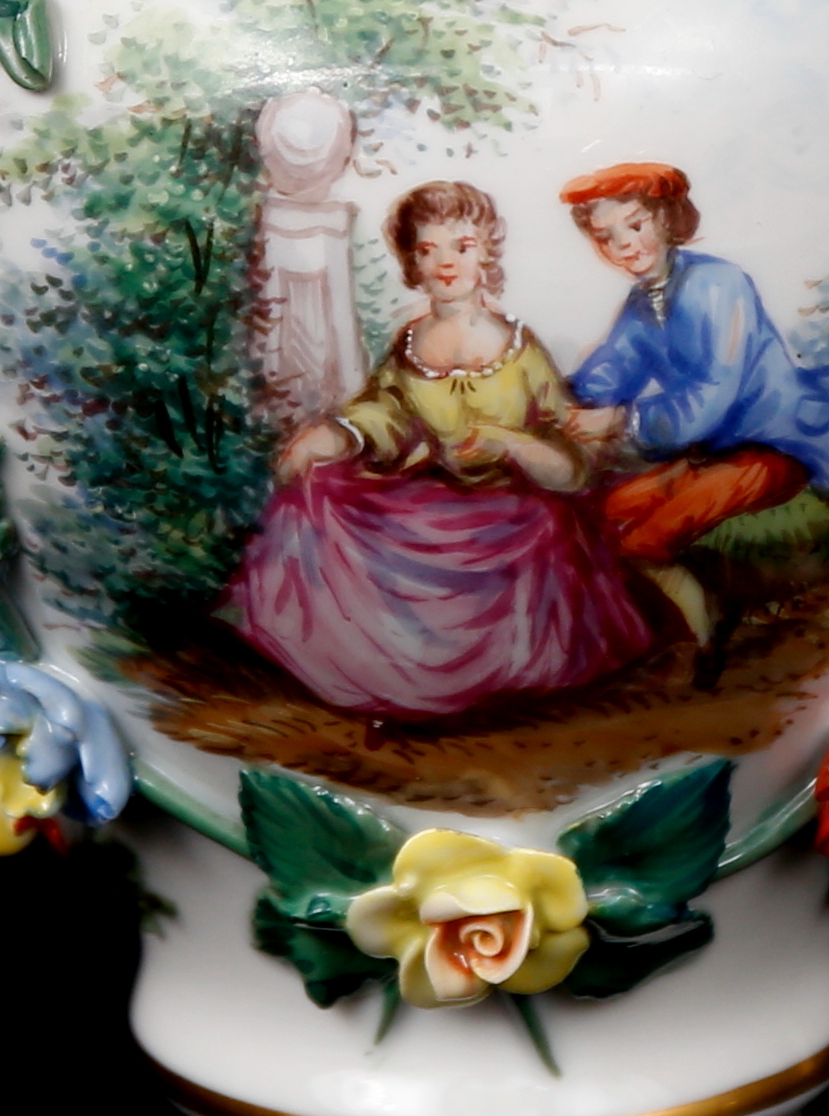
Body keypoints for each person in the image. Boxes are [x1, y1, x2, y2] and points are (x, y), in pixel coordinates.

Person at [220, 182, 652, 718]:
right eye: (428, 250)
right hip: (433, 498)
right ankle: (370, 668)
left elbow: (568, 451)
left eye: (462, 247)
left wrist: (509, 442)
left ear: (486, 253)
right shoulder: (409, 345)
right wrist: (329, 437)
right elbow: (381, 413)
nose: (446, 263)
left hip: (512, 513)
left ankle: (497, 679)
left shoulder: (520, 349)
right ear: (413, 263)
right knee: (321, 492)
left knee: (547, 529)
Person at [555, 162, 829, 647]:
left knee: (643, 540)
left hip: (774, 444)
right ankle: (669, 627)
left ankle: (709, 629)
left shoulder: (719, 283)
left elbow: (711, 396)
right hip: (708, 454)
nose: (625, 244)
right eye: (606, 237)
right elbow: (612, 368)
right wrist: (552, 400)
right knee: (608, 513)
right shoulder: (642, 302)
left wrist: (621, 420)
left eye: (635, 224)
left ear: (666, 219)